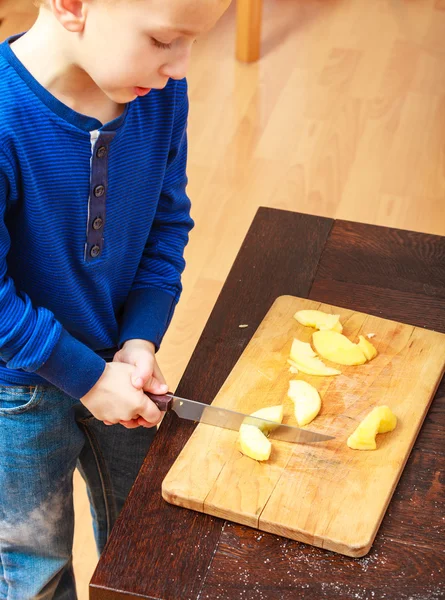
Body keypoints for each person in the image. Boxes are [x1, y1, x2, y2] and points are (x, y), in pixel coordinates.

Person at [0, 0, 230, 597]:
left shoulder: (159, 97)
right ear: (72, 6)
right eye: (162, 40)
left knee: (146, 539)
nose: (179, 66)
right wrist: (84, 375)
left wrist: (139, 339)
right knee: (34, 569)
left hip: (122, 365)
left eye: (192, 43)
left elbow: (165, 225)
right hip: (16, 393)